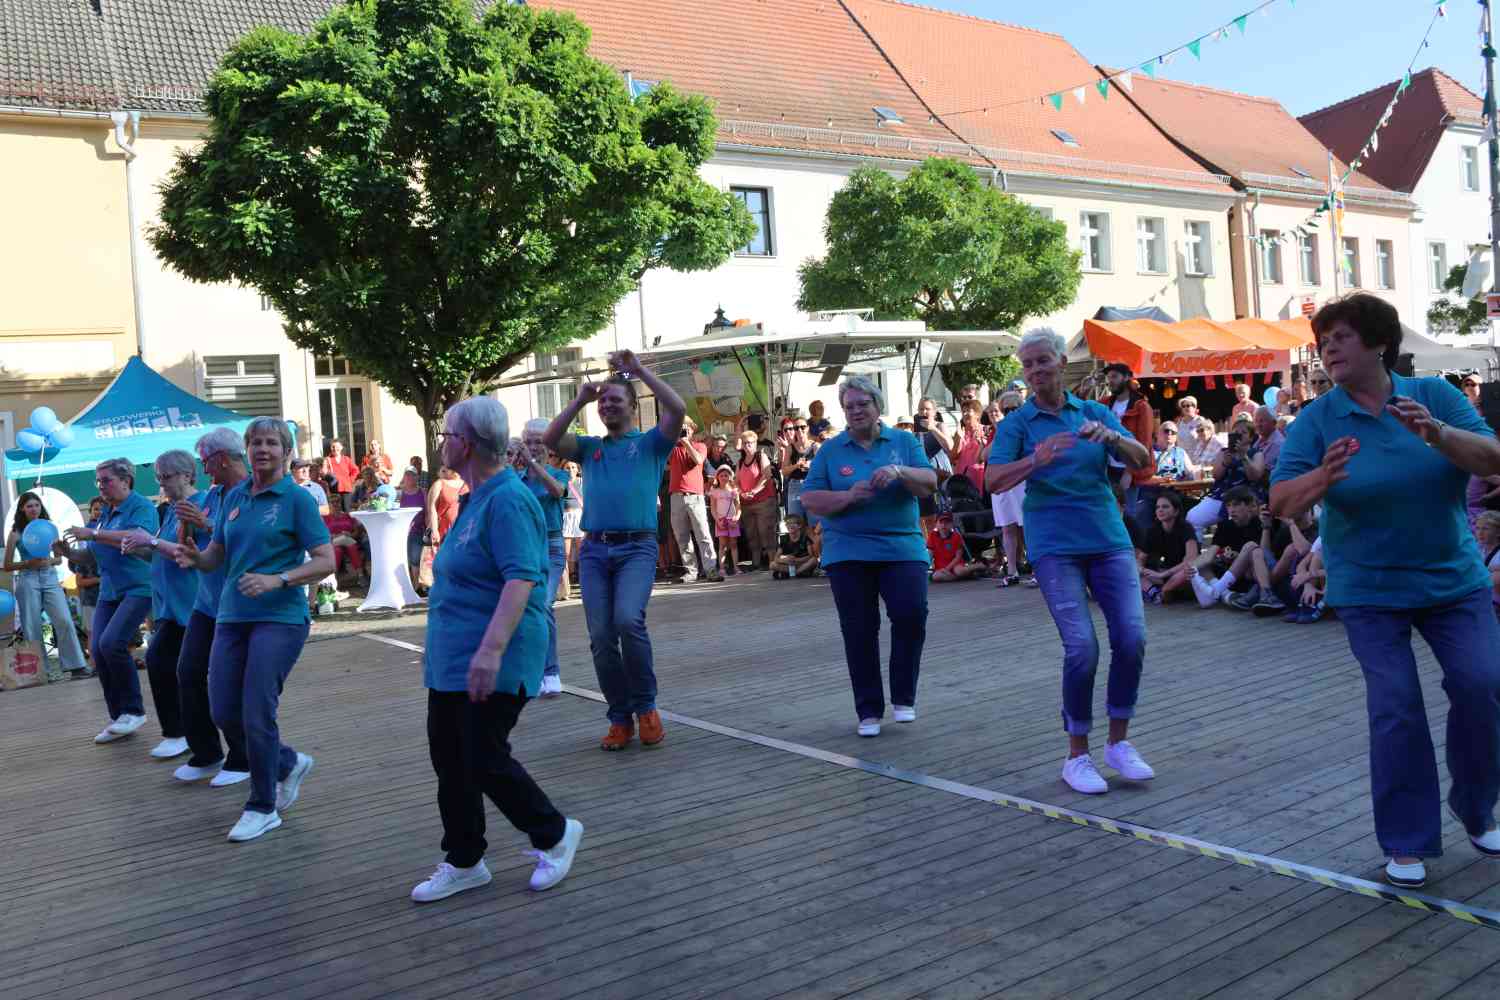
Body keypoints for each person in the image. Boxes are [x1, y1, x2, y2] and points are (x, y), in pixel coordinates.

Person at [1270, 292, 1500, 888]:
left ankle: (1477, 808)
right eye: (1323, 342)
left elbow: (1492, 459)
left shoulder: (1435, 397)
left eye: (1341, 337)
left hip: (1453, 579)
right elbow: (1281, 502)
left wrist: (1439, 435)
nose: (1328, 349)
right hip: (1370, 589)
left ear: (1378, 343)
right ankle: (1406, 839)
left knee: (1484, 687)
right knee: (1396, 707)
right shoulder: (1318, 419)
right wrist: (1323, 475)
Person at [408, 396, 584, 903]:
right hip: (452, 656)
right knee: (450, 757)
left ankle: (553, 832)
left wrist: (489, 651)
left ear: (465, 443)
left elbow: (522, 578)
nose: (442, 442)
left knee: (481, 753)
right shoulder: (475, 495)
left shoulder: (509, 498)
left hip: (496, 654)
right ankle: (464, 860)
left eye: (446, 434)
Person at [987, 328, 1157, 794]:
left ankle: (1118, 744)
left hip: (1107, 536)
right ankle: (1077, 755)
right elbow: (994, 480)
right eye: (1028, 365)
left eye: (1044, 361)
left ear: (1062, 362)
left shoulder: (1095, 412)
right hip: (1054, 544)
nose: (1037, 371)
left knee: (1132, 636)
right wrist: (1035, 460)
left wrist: (1114, 440)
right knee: (1082, 646)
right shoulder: (1018, 424)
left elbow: (1143, 459)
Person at [173, 417, 335, 842]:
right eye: (256, 443)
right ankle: (285, 762)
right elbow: (217, 556)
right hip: (231, 616)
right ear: (246, 450)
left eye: (271, 443)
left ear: (285, 451)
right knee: (223, 710)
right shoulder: (234, 497)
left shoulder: (296, 499)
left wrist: (278, 579)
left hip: (280, 618)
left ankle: (262, 806)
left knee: (256, 708)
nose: (263, 449)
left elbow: (325, 560)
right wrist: (196, 556)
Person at [543, 351, 686, 751]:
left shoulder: (652, 444)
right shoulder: (590, 448)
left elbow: (677, 407)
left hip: (636, 548)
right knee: (601, 637)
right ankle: (619, 716)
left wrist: (639, 371)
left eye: (615, 400)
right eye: (603, 401)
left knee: (628, 621)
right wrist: (579, 399)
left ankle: (646, 708)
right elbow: (550, 440)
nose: (607, 406)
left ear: (632, 406)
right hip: (594, 550)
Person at [802, 375, 937, 737]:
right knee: (859, 629)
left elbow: (930, 481)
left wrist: (899, 471)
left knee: (911, 615)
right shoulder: (831, 450)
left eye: (863, 404)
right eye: (849, 406)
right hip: (848, 551)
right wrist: (848, 497)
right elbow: (810, 499)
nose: (856, 411)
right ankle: (869, 710)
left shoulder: (904, 441)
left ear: (878, 406)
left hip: (902, 547)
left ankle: (903, 698)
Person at [160, 428, 252, 786]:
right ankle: (207, 752)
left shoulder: (249, 494)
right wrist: (186, 522)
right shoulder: (212, 495)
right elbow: (188, 545)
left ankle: (242, 757)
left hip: (238, 603)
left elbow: (244, 538)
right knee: (188, 672)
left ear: (221, 459)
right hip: (207, 602)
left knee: (228, 684)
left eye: (205, 461)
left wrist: (205, 523)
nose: (203, 469)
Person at [56, 458, 159, 744]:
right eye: (98, 481)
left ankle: (134, 711)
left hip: (139, 586)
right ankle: (119, 717)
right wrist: (68, 553)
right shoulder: (105, 514)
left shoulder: (141, 507)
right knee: (98, 651)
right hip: (110, 590)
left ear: (126, 481)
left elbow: (139, 537)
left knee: (113, 643)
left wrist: (95, 533)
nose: (101, 485)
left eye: (106, 480)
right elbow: (91, 555)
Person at [115, 450, 204, 760]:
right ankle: (183, 734)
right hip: (169, 605)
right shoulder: (169, 510)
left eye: (166, 476)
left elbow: (187, 554)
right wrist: (139, 547)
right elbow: (159, 551)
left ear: (187, 475)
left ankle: (185, 735)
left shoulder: (198, 506)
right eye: (159, 477)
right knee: (166, 665)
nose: (161, 483)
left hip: (192, 604)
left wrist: (149, 541)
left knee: (166, 663)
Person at [4, 491, 89, 682]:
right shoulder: (15, 533)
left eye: (36, 505)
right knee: (32, 626)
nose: (34, 509)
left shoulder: (50, 528)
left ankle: (76, 666)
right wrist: (27, 564)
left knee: (64, 620)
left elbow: (59, 558)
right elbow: (7, 565)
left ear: (41, 507)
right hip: (27, 578)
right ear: (22, 509)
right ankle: (42, 673)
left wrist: (48, 561)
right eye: (29, 506)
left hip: (50, 577)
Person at [518, 419, 570, 697]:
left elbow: (556, 491)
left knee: (544, 604)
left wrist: (532, 464)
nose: (534, 447)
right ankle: (532, 671)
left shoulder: (558, 473)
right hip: (523, 547)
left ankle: (551, 671)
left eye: (539, 441)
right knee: (525, 610)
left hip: (550, 545)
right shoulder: (516, 478)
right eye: (529, 442)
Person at [1188, 486, 1262, 608]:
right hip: (1230, 575)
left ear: (1250, 506)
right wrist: (1192, 568)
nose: (1231, 510)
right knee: (1201, 566)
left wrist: (1236, 556)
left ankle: (1215, 593)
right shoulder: (1225, 525)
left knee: (1251, 552)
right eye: (1228, 506)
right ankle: (1226, 594)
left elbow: (1262, 554)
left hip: (1250, 573)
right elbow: (1210, 554)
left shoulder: (1259, 523)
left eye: (1236, 505)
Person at [667, 417, 721, 583]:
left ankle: (711, 569)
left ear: (692, 430)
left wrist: (686, 442)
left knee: (703, 534)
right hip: (676, 496)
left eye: (687, 428)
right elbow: (662, 458)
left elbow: (698, 460)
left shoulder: (700, 445)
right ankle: (691, 571)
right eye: (681, 428)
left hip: (695, 496)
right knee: (682, 537)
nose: (685, 431)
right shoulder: (672, 447)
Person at [1100, 363, 1154, 520]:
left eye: (1114, 376)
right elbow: (1083, 410)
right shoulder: (1105, 403)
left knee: (1128, 515)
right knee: (1109, 513)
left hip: (1130, 470)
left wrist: (1129, 472)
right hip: (1108, 467)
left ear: (1127, 377)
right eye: (1109, 377)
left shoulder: (1141, 406)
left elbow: (1144, 443)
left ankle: (1132, 545)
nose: (1110, 381)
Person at [989, 391, 1031, 587]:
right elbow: (984, 454)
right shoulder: (1000, 429)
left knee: (1027, 527)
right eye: (1007, 409)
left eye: (1015, 408)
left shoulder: (1027, 426)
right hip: (1003, 483)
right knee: (1007, 527)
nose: (1011, 412)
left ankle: (1037, 570)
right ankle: (1012, 570)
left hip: (1021, 481)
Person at [1186, 424, 1258, 538]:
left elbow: (1255, 477)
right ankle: (1195, 551)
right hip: (1221, 495)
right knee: (1192, 518)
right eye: (1235, 433)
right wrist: (1225, 463)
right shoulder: (1224, 452)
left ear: (1251, 437)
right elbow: (1215, 475)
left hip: (1245, 497)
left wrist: (1244, 457)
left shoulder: (1256, 453)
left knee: (1235, 524)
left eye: (1243, 432)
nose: (1238, 435)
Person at [1137, 491, 1198, 604]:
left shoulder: (1186, 528)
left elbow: (1191, 559)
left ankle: (1162, 592)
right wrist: (1141, 568)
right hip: (1165, 573)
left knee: (1188, 571)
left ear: (1176, 511)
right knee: (1133, 570)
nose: (1160, 510)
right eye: (1158, 507)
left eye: (1165, 507)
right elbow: (1141, 558)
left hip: (1183, 573)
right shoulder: (1153, 531)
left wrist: (1163, 574)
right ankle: (1155, 593)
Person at [70, 497, 104, 656]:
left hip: (109, 593)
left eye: (103, 508)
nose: (100, 512)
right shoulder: (84, 536)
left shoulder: (110, 529)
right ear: (90, 512)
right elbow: (80, 577)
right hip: (90, 595)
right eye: (96, 509)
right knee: (92, 631)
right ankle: (95, 663)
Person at [926, 513, 981, 583]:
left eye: (947, 523)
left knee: (959, 571)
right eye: (941, 522)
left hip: (956, 565)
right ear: (936, 524)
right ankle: (964, 576)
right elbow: (929, 555)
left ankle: (978, 566)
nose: (944, 525)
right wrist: (925, 567)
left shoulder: (956, 536)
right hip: (941, 568)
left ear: (951, 524)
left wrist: (947, 568)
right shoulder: (932, 536)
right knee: (936, 576)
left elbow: (958, 557)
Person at [780, 417, 817, 520]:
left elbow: (823, 468)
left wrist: (811, 465)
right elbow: (784, 471)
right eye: (796, 428)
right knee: (795, 523)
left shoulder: (815, 446)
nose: (799, 430)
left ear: (808, 428)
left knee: (814, 522)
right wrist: (796, 465)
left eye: (802, 427)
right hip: (795, 486)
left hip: (812, 486)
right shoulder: (790, 448)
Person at [399, 467, 428, 591]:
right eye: (408, 475)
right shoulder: (400, 493)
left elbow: (428, 511)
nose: (410, 477)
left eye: (413, 475)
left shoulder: (423, 492)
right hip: (402, 531)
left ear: (417, 477)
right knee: (407, 558)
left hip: (418, 530)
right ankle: (411, 585)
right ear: (404, 477)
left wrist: (429, 528)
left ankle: (416, 585)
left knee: (415, 558)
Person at [709, 466, 741, 575]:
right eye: (721, 475)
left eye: (726, 475)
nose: (723, 477)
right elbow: (713, 508)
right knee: (722, 545)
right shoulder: (715, 491)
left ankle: (736, 568)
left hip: (732, 520)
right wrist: (717, 520)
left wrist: (736, 518)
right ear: (717, 477)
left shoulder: (734, 491)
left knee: (733, 544)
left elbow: (738, 507)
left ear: (730, 477)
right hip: (721, 520)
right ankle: (722, 568)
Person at [950, 400, 987, 493]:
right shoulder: (960, 432)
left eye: (968, 411)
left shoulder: (985, 430)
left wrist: (981, 443)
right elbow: (953, 458)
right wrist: (958, 438)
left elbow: (986, 456)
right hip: (962, 480)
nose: (965, 414)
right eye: (963, 411)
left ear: (977, 414)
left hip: (979, 479)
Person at [426, 465, 465, 548]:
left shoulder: (466, 484)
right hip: (444, 532)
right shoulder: (439, 484)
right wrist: (434, 530)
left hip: (463, 532)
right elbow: (432, 508)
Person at [560, 459, 583, 599]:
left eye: (573, 467)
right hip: (565, 517)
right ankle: (564, 591)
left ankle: (586, 587)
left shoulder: (582, 482)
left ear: (578, 469)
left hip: (580, 517)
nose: (570, 470)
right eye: (567, 467)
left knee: (583, 554)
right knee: (565, 555)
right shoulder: (560, 482)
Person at [771, 513, 819, 579]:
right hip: (789, 564)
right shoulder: (784, 539)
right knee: (772, 564)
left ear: (799, 526)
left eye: (793, 523)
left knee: (814, 560)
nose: (790, 525)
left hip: (802, 563)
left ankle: (795, 572)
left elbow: (811, 555)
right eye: (788, 524)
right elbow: (776, 558)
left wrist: (797, 560)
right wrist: (786, 560)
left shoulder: (805, 538)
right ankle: (797, 572)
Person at [1475, 510, 1500, 619]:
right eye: (1478, 528)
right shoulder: (1478, 548)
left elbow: (1490, 582)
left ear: (1498, 532)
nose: (1480, 533)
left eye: (1485, 529)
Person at [324, 439, 359, 503]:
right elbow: (325, 473)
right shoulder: (328, 460)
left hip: (346, 489)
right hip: (334, 490)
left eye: (337, 447)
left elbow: (355, 470)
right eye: (333, 447)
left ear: (341, 447)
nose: (335, 449)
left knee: (346, 510)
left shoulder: (346, 459)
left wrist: (350, 480)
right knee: (336, 510)